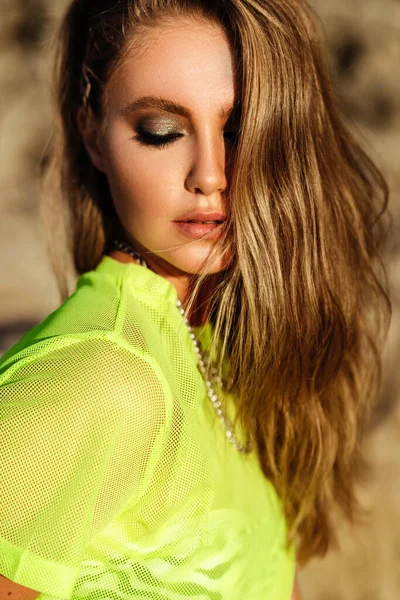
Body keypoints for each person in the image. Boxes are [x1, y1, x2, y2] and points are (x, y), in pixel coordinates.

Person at [0, 0, 391, 598]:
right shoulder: (103, 379)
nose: (210, 174)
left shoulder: (225, 351)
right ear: (93, 133)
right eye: (162, 132)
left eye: (238, 130)